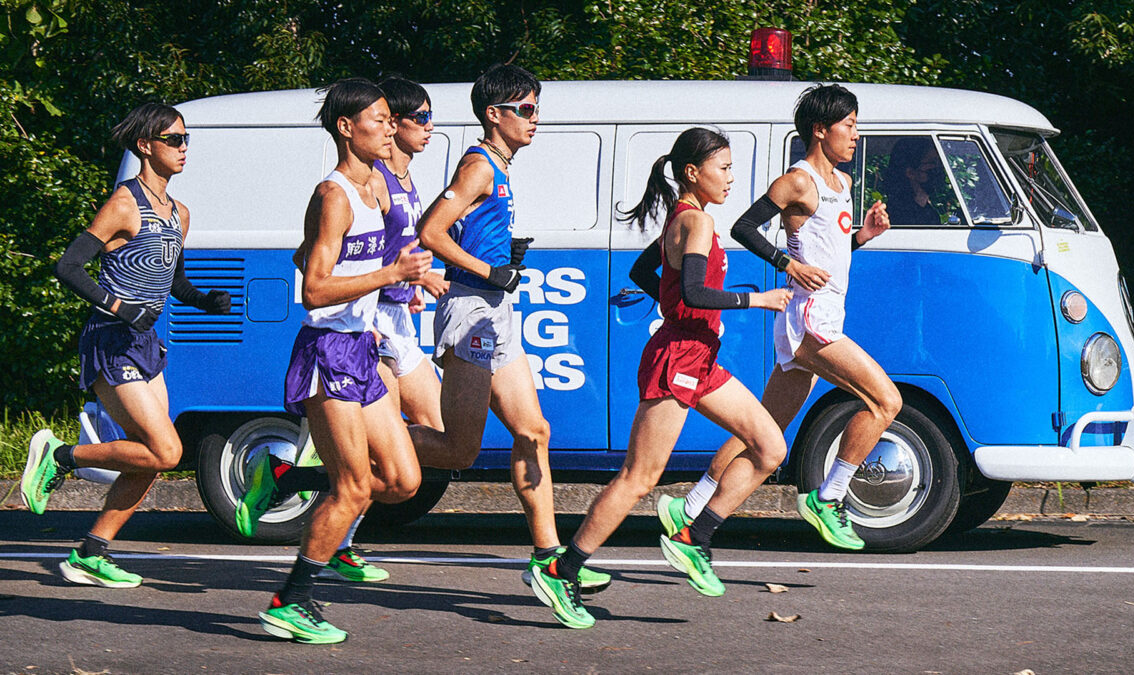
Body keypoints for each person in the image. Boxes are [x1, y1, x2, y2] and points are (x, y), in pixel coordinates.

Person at [528, 128, 793, 629]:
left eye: (732, 168)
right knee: (639, 478)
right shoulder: (694, 221)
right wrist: (754, 299)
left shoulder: (685, 219)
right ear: (693, 173)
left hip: (701, 358)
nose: (732, 178)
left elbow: (642, 271)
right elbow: (693, 291)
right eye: (725, 168)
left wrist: (672, 301)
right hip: (677, 360)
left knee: (769, 447)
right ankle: (563, 570)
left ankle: (694, 536)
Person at [658, 84, 899, 552]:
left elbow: (825, 253)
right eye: (848, 125)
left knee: (765, 423)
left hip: (825, 312)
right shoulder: (799, 180)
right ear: (820, 130)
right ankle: (829, 498)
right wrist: (787, 266)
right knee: (885, 402)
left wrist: (864, 236)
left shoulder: (843, 185)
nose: (855, 135)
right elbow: (743, 227)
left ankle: (692, 507)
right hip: (808, 319)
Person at [406, 64, 610, 592]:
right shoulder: (478, 165)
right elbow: (431, 231)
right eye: (525, 109)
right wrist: (486, 268)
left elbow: (466, 230)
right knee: (459, 451)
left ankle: (548, 557)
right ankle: (335, 451)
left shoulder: (501, 165)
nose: (534, 119)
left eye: (537, 108)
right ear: (494, 115)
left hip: (496, 309)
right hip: (471, 309)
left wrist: (501, 254)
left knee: (533, 431)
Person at [21, 103, 231, 588]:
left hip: (144, 342)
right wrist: (118, 307)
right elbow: (69, 267)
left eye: (186, 140)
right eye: (174, 139)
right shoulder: (124, 202)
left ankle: (89, 554)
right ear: (145, 146)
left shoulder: (180, 213)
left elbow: (173, 281)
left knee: (154, 456)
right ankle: (59, 456)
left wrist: (205, 300)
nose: (183, 148)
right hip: (111, 339)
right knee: (165, 450)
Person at [252, 78, 432, 645]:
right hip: (327, 351)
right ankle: (292, 599)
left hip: (362, 346)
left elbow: (313, 253)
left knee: (402, 481)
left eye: (388, 119)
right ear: (346, 128)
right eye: (377, 120)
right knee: (354, 487)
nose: (389, 127)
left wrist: (408, 271)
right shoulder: (333, 194)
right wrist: (389, 275)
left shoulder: (376, 185)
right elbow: (314, 289)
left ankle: (291, 481)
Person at [880, 137, 946, 226]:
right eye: (932, 162)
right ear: (910, 172)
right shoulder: (895, 216)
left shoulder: (930, 214)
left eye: (939, 162)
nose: (937, 168)